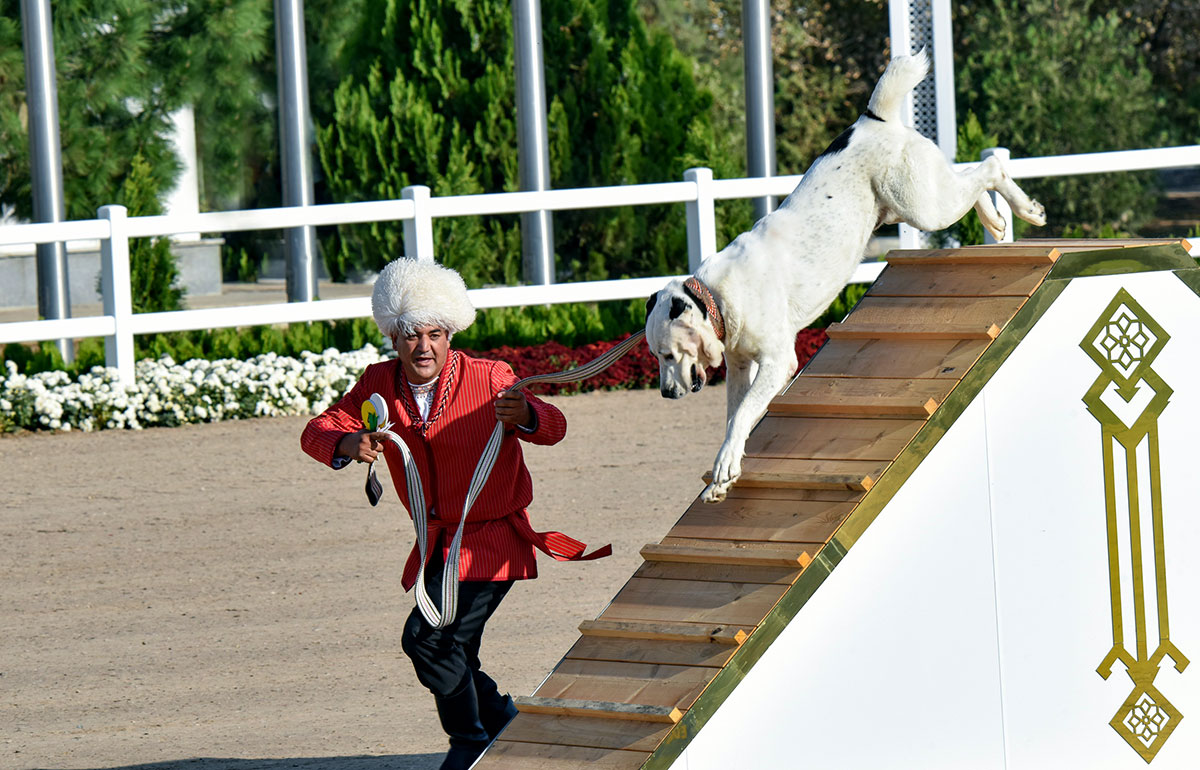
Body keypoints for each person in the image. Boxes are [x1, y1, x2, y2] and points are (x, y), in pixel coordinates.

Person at [300, 258, 607, 770]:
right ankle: (503, 720)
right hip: (439, 547)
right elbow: (315, 430)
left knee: (427, 640)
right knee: (453, 650)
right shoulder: (376, 384)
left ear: (450, 334)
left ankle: (469, 743)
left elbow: (554, 426)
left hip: (494, 541)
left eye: (434, 334)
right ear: (393, 338)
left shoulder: (491, 377)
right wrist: (346, 440)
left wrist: (527, 415)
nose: (423, 346)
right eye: (411, 335)